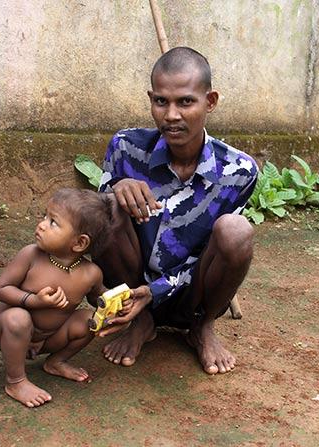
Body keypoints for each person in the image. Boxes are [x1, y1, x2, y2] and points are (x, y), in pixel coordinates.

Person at [94, 46, 258, 375]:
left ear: (209, 102)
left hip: (190, 290)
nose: (171, 115)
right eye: (161, 101)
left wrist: (155, 292)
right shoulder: (126, 147)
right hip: (130, 283)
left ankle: (202, 327)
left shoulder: (238, 171)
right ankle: (141, 321)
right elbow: (90, 222)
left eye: (185, 101)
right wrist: (114, 188)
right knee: (106, 205)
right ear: (151, 99)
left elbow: (208, 256)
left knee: (237, 231)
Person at [0, 188, 127, 407]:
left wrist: (115, 303)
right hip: (11, 332)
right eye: (45, 216)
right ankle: (15, 380)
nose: (42, 224)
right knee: (17, 318)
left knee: (90, 320)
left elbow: (97, 299)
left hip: (52, 337)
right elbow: (1, 288)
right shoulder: (31, 255)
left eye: (53, 222)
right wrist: (33, 301)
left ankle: (56, 361)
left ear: (80, 243)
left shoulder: (91, 273)